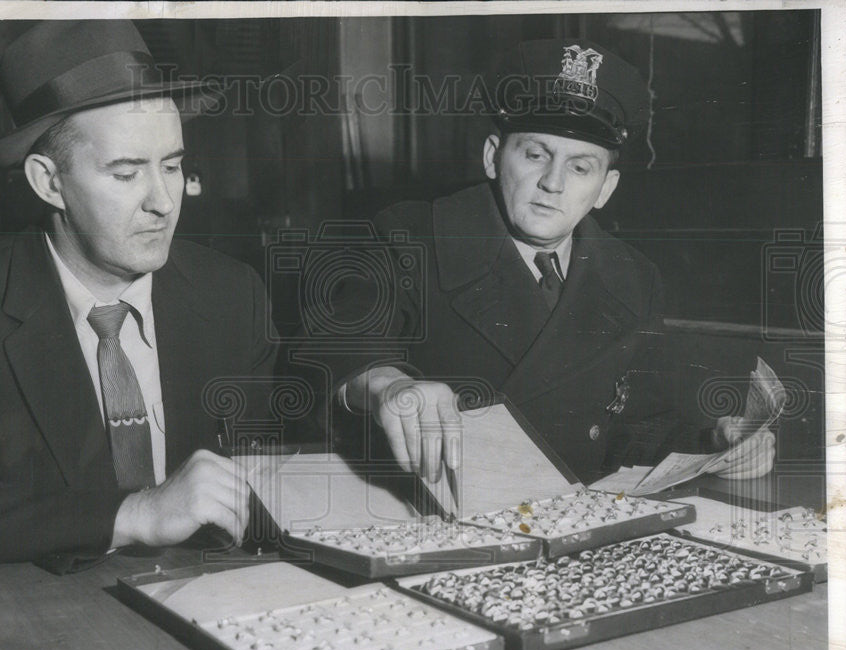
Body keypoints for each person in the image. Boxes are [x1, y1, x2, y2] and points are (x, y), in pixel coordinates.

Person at [0, 21, 276, 572]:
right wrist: (135, 513)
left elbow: (271, 478)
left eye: (174, 166)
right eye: (127, 173)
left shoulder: (234, 294)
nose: (163, 202)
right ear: (48, 182)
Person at [307, 39, 774, 487]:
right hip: (436, 515)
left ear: (605, 188)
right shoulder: (407, 237)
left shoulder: (634, 278)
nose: (553, 183)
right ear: (493, 157)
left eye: (579, 167)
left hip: (573, 520)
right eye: (535, 154)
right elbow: (341, 352)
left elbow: (635, 430)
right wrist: (385, 384)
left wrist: (712, 444)